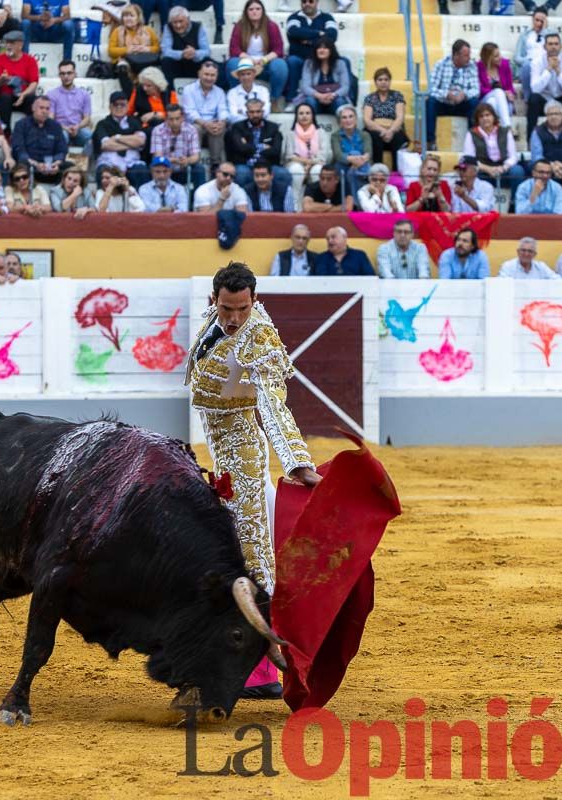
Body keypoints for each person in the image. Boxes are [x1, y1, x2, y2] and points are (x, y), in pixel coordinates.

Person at [184, 263, 320, 697]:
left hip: (242, 451)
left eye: (243, 308)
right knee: (235, 549)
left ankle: (264, 670)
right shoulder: (215, 319)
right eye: (227, 308)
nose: (235, 318)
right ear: (214, 300)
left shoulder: (258, 335)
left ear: (254, 302)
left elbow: (274, 405)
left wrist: (296, 463)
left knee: (254, 553)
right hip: (221, 451)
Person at [227, 0, 287, 108]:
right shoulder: (240, 26)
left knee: (280, 65)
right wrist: (249, 59)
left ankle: (274, 100)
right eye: (251, 9)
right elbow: (234, 49)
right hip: (245, 63)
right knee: (232, 63)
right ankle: (237, 98)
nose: (254, 11)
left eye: (258, 9)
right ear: (246, 12)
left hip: (265, 64)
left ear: (263, 11)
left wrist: (264, 60)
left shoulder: (271, 26)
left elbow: (278, 49)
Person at [527, 33, 562, 139]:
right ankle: (531, 140)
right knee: (533, 98)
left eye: (556, 44)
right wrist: (548, 70)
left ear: (560, 46)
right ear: (545, 47)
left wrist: (558, 72)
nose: (553, 47)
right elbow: (535, 88)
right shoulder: (537, 62)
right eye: (550, 44)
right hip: (544, 100)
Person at [426, 40, 480, 150]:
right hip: (444, 103)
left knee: (474, 102)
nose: (469, 58)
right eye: (466, 55)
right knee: (430, 102)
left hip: (462, 104)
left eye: (469, 55)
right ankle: (431, 141)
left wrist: (464, 95)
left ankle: (473, 141)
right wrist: (446, 94)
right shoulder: (440, 64)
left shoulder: (471, 66)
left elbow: (476, 90)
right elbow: (431, 89)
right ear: (455, 55)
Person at [285, 0, 339, 103]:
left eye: (310, 1)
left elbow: (332, 36)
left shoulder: (327, 17)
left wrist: (306, 40)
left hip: (323, 59)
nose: (307, 4)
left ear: (317, 2)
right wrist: (319, 33)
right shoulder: (294, 17)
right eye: (304, 1)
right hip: (300, 58)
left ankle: (344, 101)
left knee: (344, 62)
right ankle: (291, 99)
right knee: (292, 61)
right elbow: (293, 32)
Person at [226, 98, 287, 188]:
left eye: (258, 112)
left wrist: (248, 146)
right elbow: (240, 148)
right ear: (247, 113)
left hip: (268, 164)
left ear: (262, 112)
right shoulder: (238, 127)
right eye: (252, 112)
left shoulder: (273, 127)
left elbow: (276, 150)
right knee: (242, 173)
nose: (255, 115)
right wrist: (262, 146)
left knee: (283, 174)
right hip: (245, 164)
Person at [92, 91, 148, 187]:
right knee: (103, 172)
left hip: (132, 162)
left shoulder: (135, 122)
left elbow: (140, 141)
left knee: (141, 170)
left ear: (127, 106)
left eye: (122, 104)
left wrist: (118, 138)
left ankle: (140, 201)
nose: (119, 107)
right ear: (110, 107)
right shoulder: (103, 124)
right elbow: (106, 145)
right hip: (109, 162)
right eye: (115, 104)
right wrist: (131, 143)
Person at [0, 30, 39, 131]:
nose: (8, 45)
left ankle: (32, 131)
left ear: (20, 45)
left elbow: (34, 82)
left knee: (33, 99)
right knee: (5, 97)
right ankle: (6, 132)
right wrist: (1, 79)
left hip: (22, 95)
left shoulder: (30, 60)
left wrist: (23, 95)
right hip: (3, 98)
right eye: (7, 42)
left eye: (11, 43)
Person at [180, 60, 227, 166]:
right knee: (196, 128)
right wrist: (205, 124)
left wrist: (222, 122)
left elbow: (223, 110)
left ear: (216, 76)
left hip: (213, 125)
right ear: (199, 74)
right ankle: (194, 163)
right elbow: (189, 112)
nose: (209, 78)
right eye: (206, 74)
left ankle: (215, 165)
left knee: (218, 128)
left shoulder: (219, 91)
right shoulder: (188, 89)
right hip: (195, 124)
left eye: (212, 75)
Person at [12, 95, 68, 184]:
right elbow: (19, 149)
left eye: (47, 108)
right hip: (31, 165)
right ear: (33, 108)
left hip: (51, 167)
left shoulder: (55, 126)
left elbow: (62, 149)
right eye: (41, 108)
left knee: (70, 167)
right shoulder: (21, 125)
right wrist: (36, 164)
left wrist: (56, 163)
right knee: (22, 164)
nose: (44, 111)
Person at [361, 68, 409, 168]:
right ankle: (378, 169)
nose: (383, 82)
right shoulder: (370, 98)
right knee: (374, 136)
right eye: (380, 79)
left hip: (393, 129)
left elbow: (400, 117)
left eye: (386, 79)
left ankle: (396, 171)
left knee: (398, 137)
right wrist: (383, 130)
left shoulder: (397, 95)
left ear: (390, 81)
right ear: (375, 82)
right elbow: (367, 120)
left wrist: (390, 131)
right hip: (376, 129)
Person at [150, 102, 204, 190]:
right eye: (171, 119)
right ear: (166, 119)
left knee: (199, 169)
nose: (174, 122)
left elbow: (196, 156)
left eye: (177, 119)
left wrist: (187, 160)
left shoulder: (191, 130)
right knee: (154, 166)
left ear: (182, 118)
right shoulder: (158, 130)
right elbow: (157, 157)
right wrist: (175, 160)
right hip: (164, 168)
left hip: (184, 168)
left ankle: (198, 201)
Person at [283, 102, 328, 200]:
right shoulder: (290, 134)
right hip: (295, 163)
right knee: (297, 170)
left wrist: (310, 165)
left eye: (307, 113)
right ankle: (294, 203)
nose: (304, 116)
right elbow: (289, 156)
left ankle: (318, 201)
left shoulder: (321, 133)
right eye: (301, 113)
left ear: (312, 115)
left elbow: (323, 155)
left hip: (316, 163)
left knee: (317, 170)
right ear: (296, 116)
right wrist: (307, 163)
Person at [46, 60, 92, 151]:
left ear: (75, 74)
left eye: (69, 73)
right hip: (61, 128)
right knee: (62, 137)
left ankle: (84, 163)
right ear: (59, 75)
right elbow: (50, 119)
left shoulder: (84, 94)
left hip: (78, 128)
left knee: (92, 138)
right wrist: (65, 128)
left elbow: (87, 119)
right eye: (62, 74)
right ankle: (61, 163)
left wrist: (77, 127)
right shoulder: (52, 94)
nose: (66, 76)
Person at [298, 37, 351, 115]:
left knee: (340, 101)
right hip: (316, 99)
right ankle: (312, 127)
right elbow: (305, 87)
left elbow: (345, 87)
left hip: (334, 99)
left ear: (331, 50)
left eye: (325, 48)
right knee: (310, 101)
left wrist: (332, 95)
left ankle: (343, 126)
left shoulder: (340, 63)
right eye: (319, 48)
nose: (321, 50)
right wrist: (319, 96)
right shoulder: (309, 64)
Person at [108, 4, 160, 81]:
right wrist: (127, 50)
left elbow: (158, 48)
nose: (128, 18)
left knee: (147, 68)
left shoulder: (148, 31)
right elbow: (111, 51)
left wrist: (147, 49)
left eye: (131, 16)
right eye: (125, 16)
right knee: (123, 67)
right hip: (124, 61)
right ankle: (130, 93)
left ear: (138, 18)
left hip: (143, 61)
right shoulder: (117, 31)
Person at [160, 7, 210, 87]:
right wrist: (182, 54)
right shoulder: (168, 27)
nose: (178, 25)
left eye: (181, 21)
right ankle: (170, 93)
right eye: (174, 22)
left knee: (207, 61)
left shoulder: (198, 27)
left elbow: (206, 51)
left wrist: (195, 53)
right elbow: (165, 50)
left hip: (194, 64)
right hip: (177, 64)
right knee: (166, 61)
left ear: (188, 19)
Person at [129, 67, 176, 149]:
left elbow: (175, 113)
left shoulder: (169, 94)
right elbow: (128, 111)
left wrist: (157, 114)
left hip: (166, 126)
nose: (144, 88)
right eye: (143, 85)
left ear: (158, 85)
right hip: (144, 128)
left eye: (148, 86)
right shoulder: (138, 92)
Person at [331, 105, 370, 198]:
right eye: (344, 117)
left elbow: (368, 153)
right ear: (340, 122)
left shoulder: (365, 134)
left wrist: (357, 163)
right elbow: (338, 155)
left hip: (362, 165)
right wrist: (354, 159)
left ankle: (353, 201)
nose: (348, 120)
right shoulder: (335, 136)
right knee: (354, 156)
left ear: (356, 119)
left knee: (355, 171)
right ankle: (359, 200)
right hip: (342, 166)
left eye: (351, 116)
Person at [476, 42, 516, 129]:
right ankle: (507, 127)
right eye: (496, 56)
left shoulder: (505, 64)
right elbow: (480, 89)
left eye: (499, 54)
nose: (499, 58)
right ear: (488, 58)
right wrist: (501, 92)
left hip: (504, 104)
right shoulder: (479, 67)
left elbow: (510, 87)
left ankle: (495, 130)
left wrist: (510, 94)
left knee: (493, 102)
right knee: (498, 92)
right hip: (485, 99)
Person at [227, 58, 271, 125]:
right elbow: (233, 116)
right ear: (238, 76)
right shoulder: (232, 93)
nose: (246, 77)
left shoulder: (263, 90)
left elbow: (266, 112)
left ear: (254, 75)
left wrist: (242, 112)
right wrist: (255, 115)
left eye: (248, 74)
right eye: (243, 74)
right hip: (240, 128)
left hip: (259, 126)